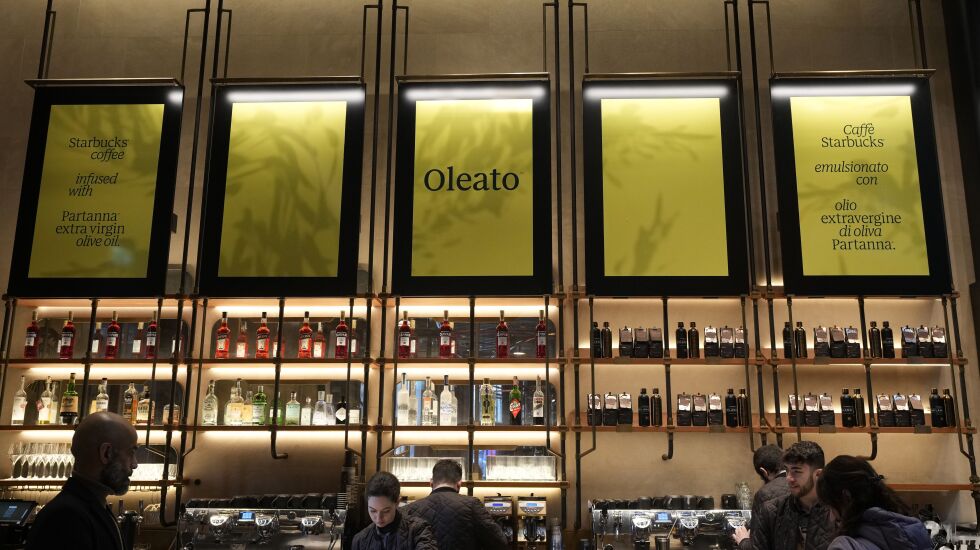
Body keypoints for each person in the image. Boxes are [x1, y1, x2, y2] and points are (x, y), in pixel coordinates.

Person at [26, 412, 140, 550]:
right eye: (131, 453)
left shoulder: (88, 506)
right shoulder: (67, 517)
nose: (134, 464)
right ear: (106, 453)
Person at [817, 455, 931, 550]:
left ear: (846, 497)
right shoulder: (915, 532)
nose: (831, 517)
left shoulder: (844, 546)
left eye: (831, 508)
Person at [747, 441, 837, 550]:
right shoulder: (770, 512)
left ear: (818, 474)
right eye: (787, 470)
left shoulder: (838, 512)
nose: (789, 478)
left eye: (796, 471)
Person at [403, 459, 509, 550]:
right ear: (459, 484)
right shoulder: (472, 505)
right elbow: (500, 543)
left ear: (431, 483)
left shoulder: (410, 509)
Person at [352, 471, 438, 550]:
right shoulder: (360, 539)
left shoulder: (418, 530)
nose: (378, 518)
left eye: (386, 511)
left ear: (397, 502)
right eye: (373, 511)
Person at [734, 444, 792, 549]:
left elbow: (757, 546)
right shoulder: (800, 486)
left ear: (764, 472)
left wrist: (743, 541)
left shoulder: (764, 493)